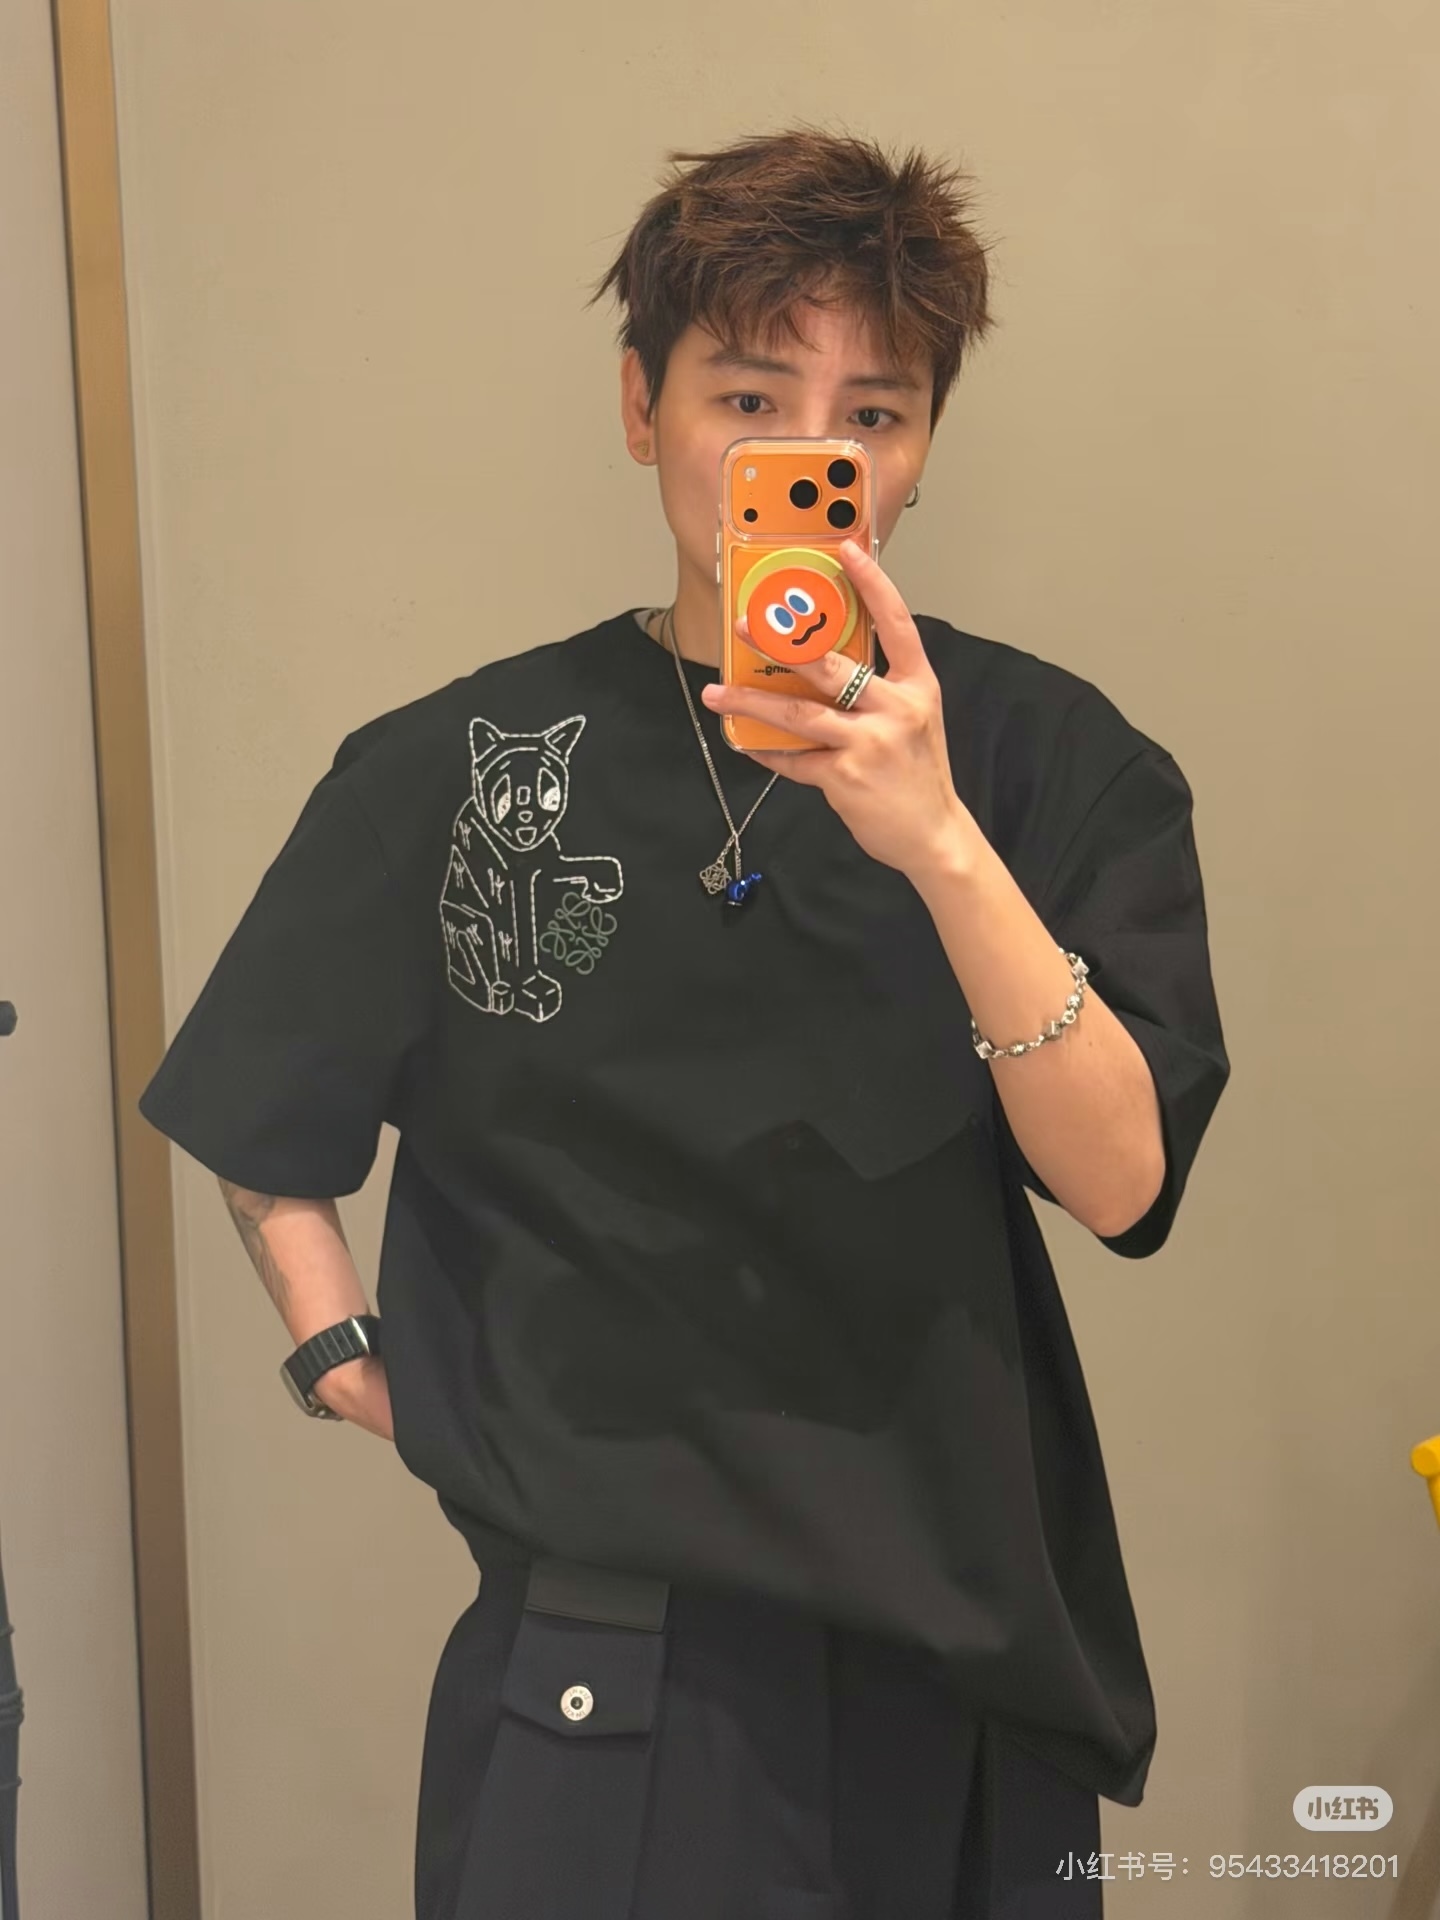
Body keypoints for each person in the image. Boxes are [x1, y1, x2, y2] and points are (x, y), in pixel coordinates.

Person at [139, 126, 1230, 1919]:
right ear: (641, 407)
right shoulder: (460, 766)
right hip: (603, 1676)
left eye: (871, 416)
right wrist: (342, 1358)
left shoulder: (1050, 763)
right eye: (748, 399)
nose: (812, 455)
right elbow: (265, 1117)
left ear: (922, 447)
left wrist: (943, 847)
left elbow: (1122, 1184)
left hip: (967, 1669)